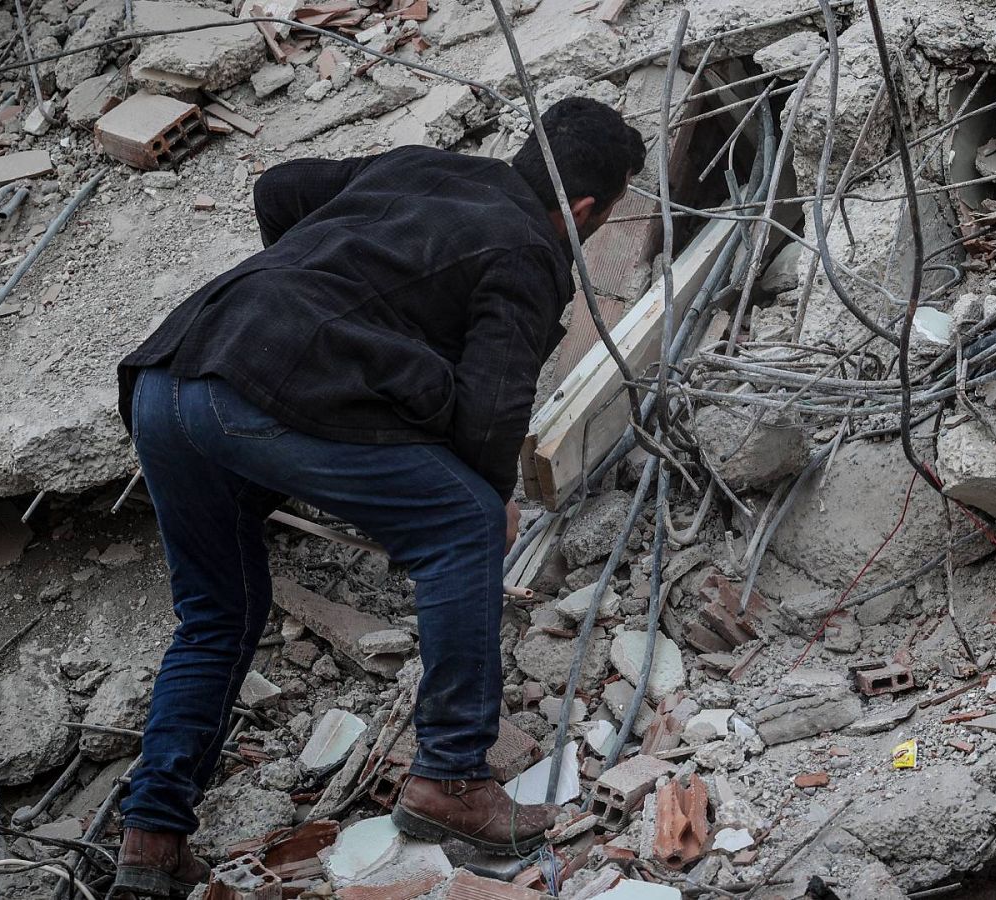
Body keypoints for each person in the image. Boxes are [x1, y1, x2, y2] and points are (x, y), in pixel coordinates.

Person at [107, 97, 646, 898]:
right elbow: (490, 412)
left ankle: (150, 842)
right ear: (583, 210)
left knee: (218, 612)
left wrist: (313, 300)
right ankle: (452, 781)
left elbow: (281, 189)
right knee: (465, 521)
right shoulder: (532, 249)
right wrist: (488, 500)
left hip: (168, 376)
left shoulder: (420, 165)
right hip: (256, 397)